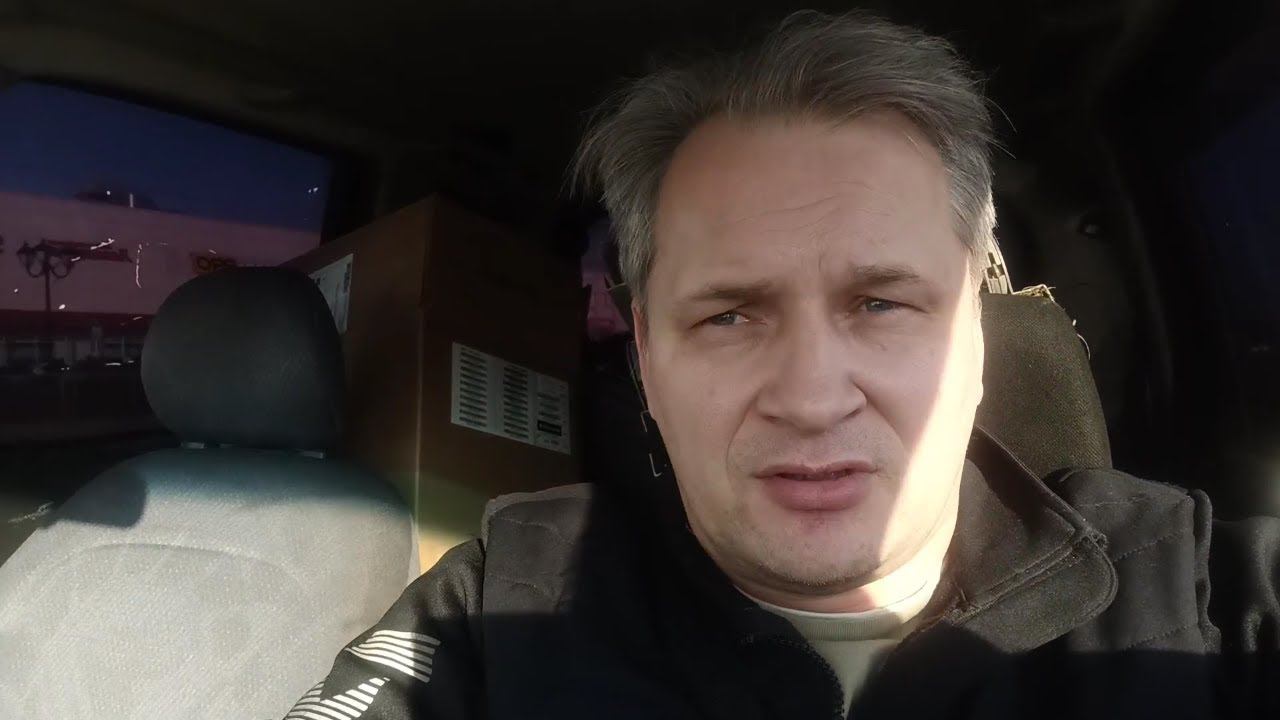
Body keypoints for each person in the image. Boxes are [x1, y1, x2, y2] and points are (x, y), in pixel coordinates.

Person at [282, 11, 1280, 720]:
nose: (809, 397)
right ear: (646, 357)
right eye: (727, 316)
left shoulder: (1205, 596)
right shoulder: (496, 613)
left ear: (977, 338)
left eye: (880, 304)